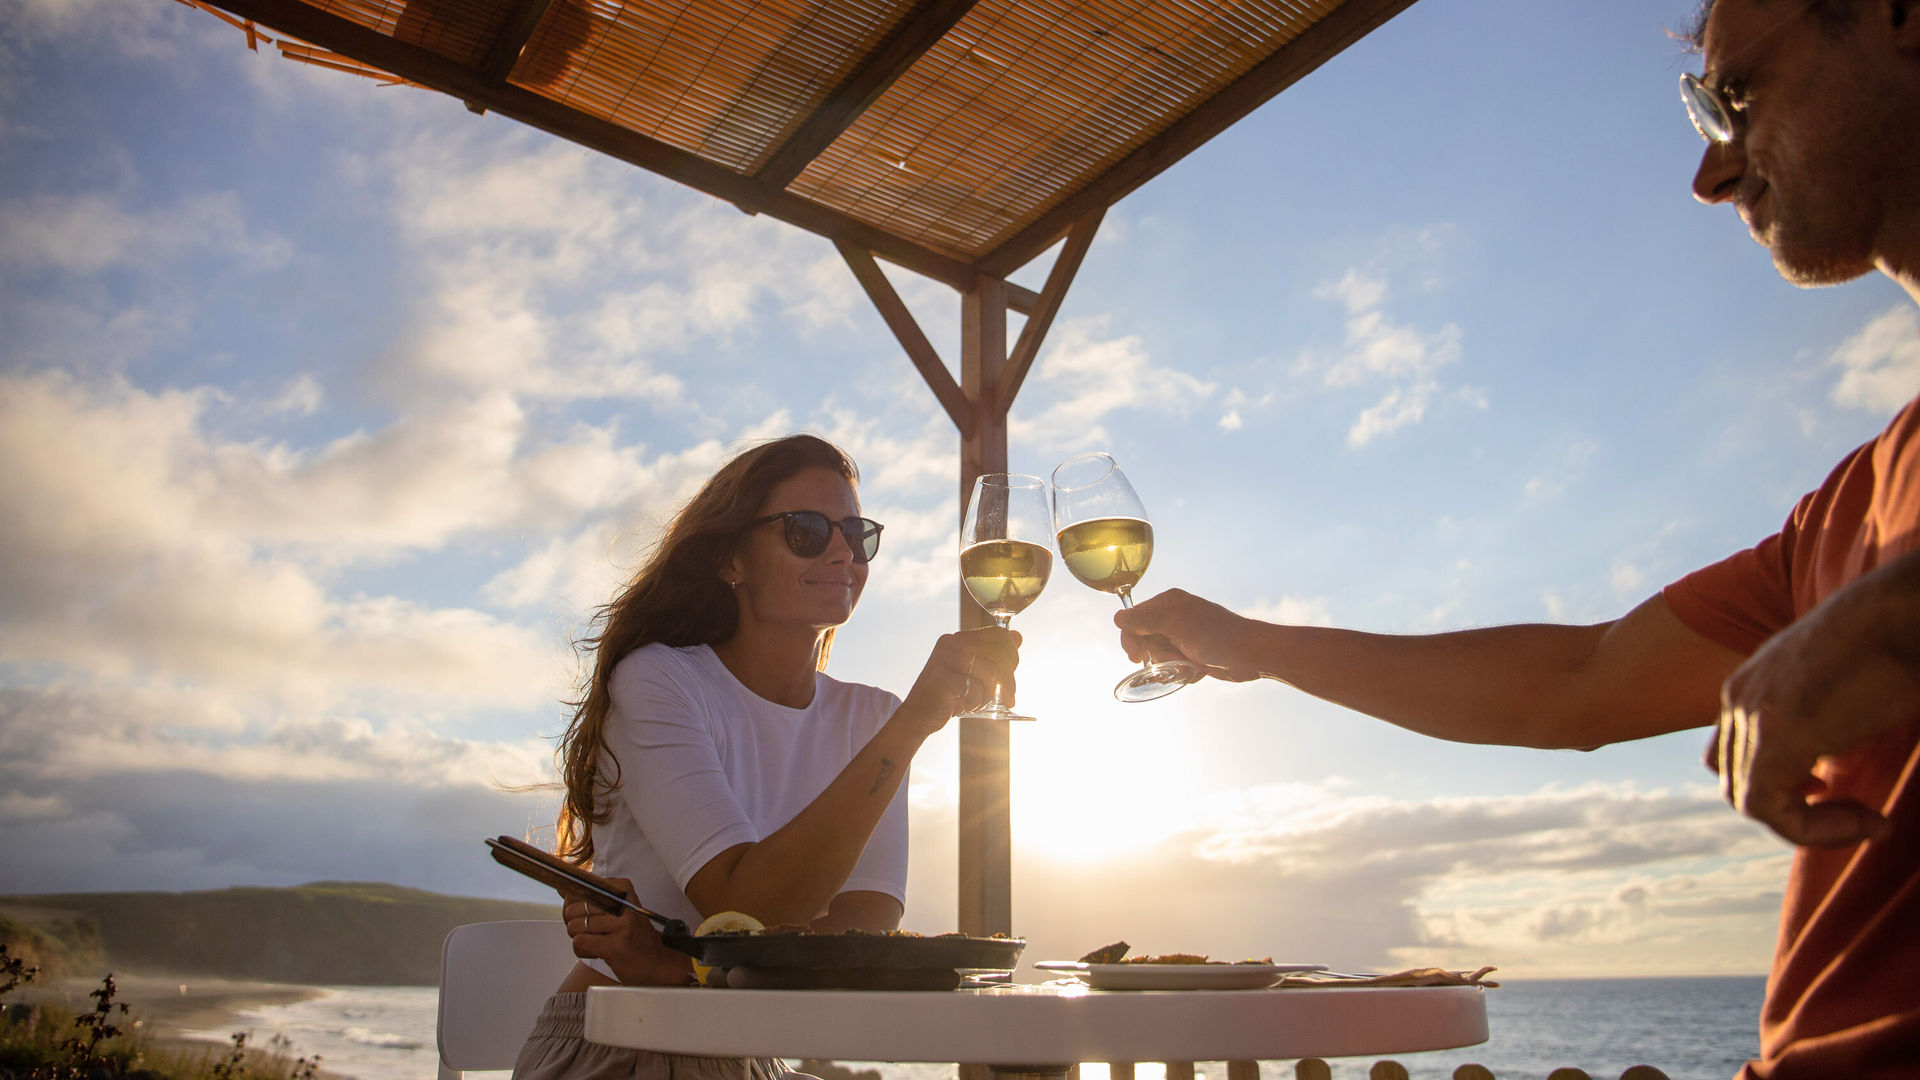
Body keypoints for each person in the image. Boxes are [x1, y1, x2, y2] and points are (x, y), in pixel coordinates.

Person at [1115, 2, 1920, 1077]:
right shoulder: (1853, 503)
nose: (1713, 175)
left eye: (1737, 97)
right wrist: (1256, 644)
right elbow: (1573, 686)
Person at [511, 433, 1018, 1080]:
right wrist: (916, 723)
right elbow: (745, 904)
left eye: (856, 533)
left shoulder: (870, 716)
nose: (842, 551)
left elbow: (865, 920)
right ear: (731, 559)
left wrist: (688, 969)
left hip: (746, 1047)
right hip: (622, 1046)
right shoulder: (660, 682)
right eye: (806, 530)